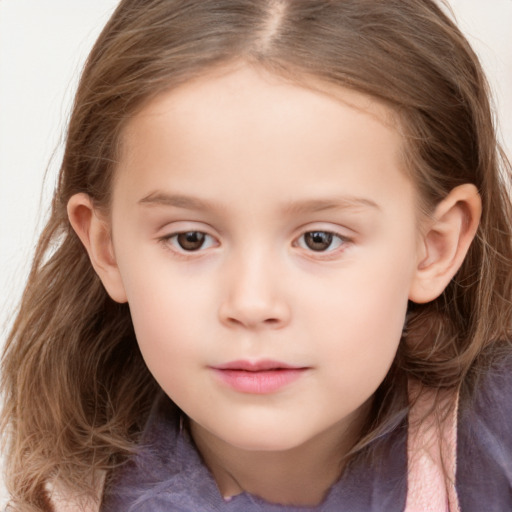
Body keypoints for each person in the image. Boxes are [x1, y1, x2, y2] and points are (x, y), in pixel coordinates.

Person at [2, 0, 512, 510]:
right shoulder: (66, 495)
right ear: (106, 249)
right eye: (191, 239)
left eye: (320, 239)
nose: (251, 303)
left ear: (435, 247)